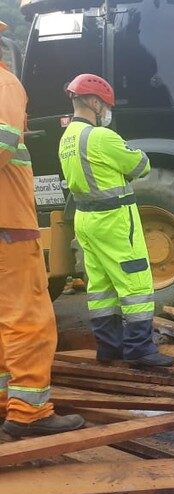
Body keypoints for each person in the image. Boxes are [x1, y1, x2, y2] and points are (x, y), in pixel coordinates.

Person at [0, 22, 85, 437]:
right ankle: (29, 414)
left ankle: (6, 403)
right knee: (28, 317)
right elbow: (2, 143)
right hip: (8, 224)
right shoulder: (3, 83)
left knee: (3, 318)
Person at [58, 73, 174, 369]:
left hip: (86, 219)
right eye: (106, 105)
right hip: (114, 219)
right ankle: (140, 350)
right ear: (94, 102)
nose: (107, 111)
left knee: (101, 286)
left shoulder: (67, 138)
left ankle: (109, 348)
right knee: (135, 282)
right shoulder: (101, 137)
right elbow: (141, 166)